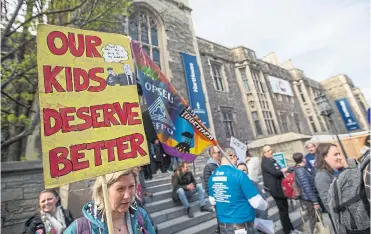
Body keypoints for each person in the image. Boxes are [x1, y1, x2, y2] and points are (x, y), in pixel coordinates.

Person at [64, 168, 156, 234]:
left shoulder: (141, 216)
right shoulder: (78, 229)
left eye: (131, 186)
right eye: (120, 189)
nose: (127, 196)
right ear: (102, 191)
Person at [208, 148, 268, 234]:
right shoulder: (239, 174)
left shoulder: (212, 176)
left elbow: (212, 201)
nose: (237, 161)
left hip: (223, 226)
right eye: (237, 158)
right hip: (241, 226)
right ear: (233, 156)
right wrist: (265, 205)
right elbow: (256, 202)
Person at [315, 143, 370, 233]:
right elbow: (329, 205)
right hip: (347, 225)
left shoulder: (339, 171)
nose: (340, 157)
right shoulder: (322, 176)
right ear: (324, 157)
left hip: (357, 222)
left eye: (339, 153)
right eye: (335, 154)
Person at [261, 145, 303, 234]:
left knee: (285, 210)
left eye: (270, 150)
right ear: (264, 153)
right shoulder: (265, 162)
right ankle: (287, 230)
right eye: (267, 151)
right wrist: (285, 170)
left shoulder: (272, 160)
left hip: (281, 188)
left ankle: (291, 228)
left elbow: (278, 170)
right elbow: (275, 173)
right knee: (283, 210)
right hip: (276, 190)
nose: (270, 152)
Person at [292, 153, 319, 234]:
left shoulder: (300, 169)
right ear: (303, 159)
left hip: (308, 198)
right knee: (314, 219)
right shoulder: (300, 170)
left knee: (316, 218)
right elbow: (306, 187)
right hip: (309, 199)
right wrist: (314, 201)